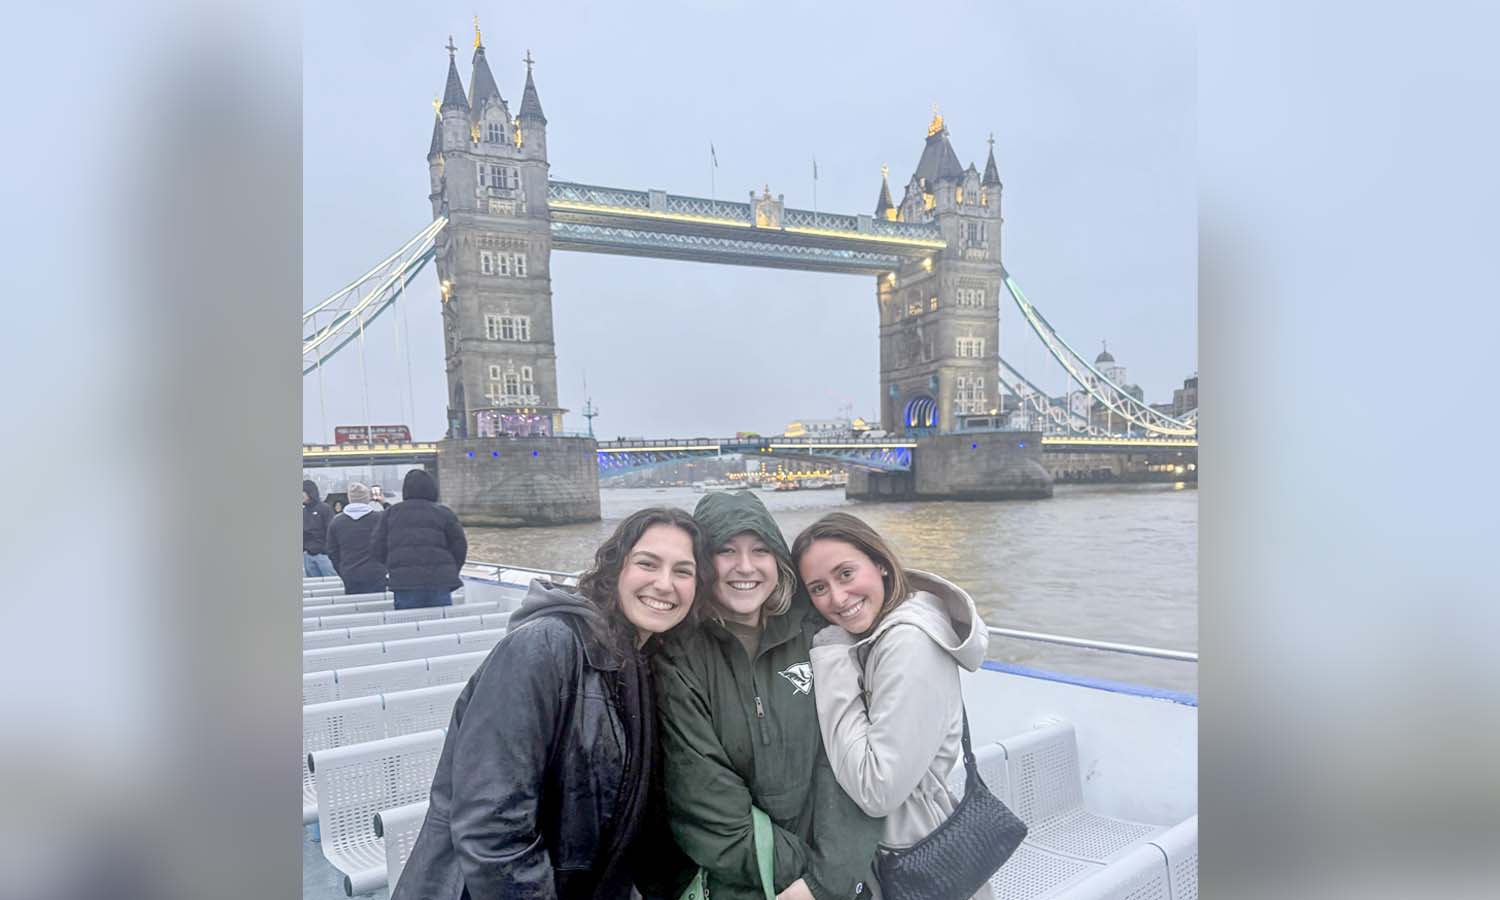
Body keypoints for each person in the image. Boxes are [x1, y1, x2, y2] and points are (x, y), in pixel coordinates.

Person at [393, 507, 709, 900]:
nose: (665, 584)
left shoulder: (644, 665)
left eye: (683, 571)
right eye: (648, 563)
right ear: (616, 569)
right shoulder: (544, 647)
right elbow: (492, 826)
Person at [654, 491, 883, 900]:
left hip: (839, 879)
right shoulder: (678, 659)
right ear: (703, 563)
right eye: (726, 550)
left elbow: (848, 765)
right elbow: (706, 802)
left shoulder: (818, 635)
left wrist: (827, 880)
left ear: (777, 558)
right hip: (742, 884)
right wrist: (804, 880)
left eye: (760, 550)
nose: (745, 567)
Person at [791, 513, 991, 900]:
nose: (836, 598)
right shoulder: (877, 635)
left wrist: (832, 656)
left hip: (911, 854)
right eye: (818, 587)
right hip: (891, 846)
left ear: (880, 563)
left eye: (845, 574)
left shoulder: (909, 645)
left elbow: (877, 789)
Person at [370, 469, 467, 609]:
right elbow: (460, 547)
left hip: (404, 583)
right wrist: (450, 569)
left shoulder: (391, 513)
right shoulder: (444, 513)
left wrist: (394, 568)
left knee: (409, 625)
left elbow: (376, 548)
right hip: (439, 581)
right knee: (441, 626)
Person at [325, 482, 387, 595]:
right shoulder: (379, 518)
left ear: (349, 498)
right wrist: (384, 503)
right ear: (367, 498)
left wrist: (342, 570)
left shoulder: (337, 522)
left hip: (350, 573)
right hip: (375, 573)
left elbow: (332, 552)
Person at [301, 480, 337, 577]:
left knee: (331, 585)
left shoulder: (324, 509)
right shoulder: (302, 512)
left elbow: (332, 531)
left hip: (324, 556)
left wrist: (327, 550)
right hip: (308, 556)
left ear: (309, 492)